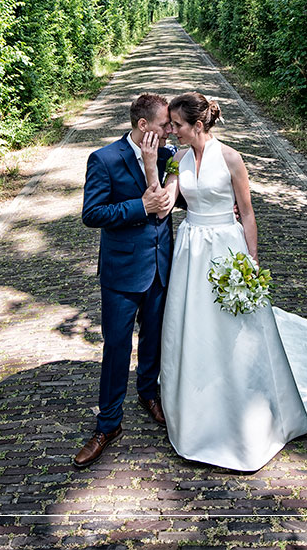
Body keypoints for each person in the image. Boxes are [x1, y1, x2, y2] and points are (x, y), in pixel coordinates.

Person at [140, 92, 307, 471]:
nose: (172, 131)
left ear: (197, 125)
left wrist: (251, 261)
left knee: (236, 330)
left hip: (227, 247)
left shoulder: (232, 159)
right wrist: (153, 166)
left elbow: (248, 214)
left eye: (178, 126)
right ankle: (196, 410)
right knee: (194, 327)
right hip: (191, 251)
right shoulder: (178, 159)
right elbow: (164, 204)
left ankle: (245, 406)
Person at [75, 93, 176, 467]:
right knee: (116, 346)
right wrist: (140, 207)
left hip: (162, 264)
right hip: (121, 272)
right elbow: (92, 212)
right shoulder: (104, 159)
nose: (171, 130)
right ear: (143, 126)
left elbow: (182, 197)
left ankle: (148, 392)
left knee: (155, 337)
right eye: (166, 124)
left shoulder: (167, 157)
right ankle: (108, 423)